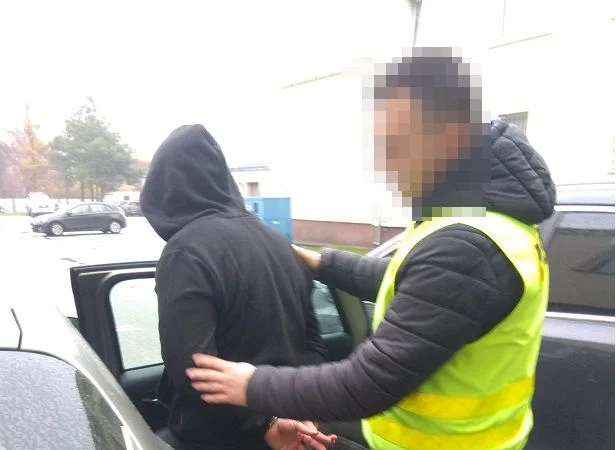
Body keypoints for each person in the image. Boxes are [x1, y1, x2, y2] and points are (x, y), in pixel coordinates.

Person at [185, 47, 556, 450]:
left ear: (450, 138)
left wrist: (253, 385)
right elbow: (410, 282)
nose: (384, 164)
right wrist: (320, 262)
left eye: (394, 145)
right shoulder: (491, 225)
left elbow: (368, 383)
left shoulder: (467, 246)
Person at [140, 124, 335, 450]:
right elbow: (314, 343)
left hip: (222, 437)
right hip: (294, 429)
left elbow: (192, 369)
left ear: (164, 192)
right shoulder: (278, 241)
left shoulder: (185, 251)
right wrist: (298, 412)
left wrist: (266, 422)